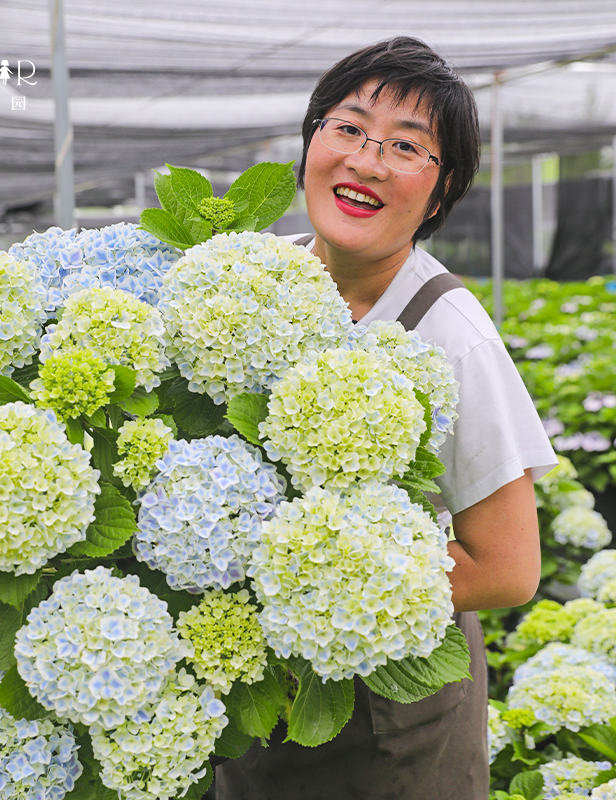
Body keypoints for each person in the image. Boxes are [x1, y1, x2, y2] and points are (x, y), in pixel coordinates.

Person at [213, 36, 557, 800]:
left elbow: (509, 569)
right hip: (259, 703)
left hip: (389, 726)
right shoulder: (253, 288)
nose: (367, 161)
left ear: (441, 195)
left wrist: (323, 594)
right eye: (348, 128)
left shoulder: (452, 336)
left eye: (407, 147)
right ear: (310, 143)